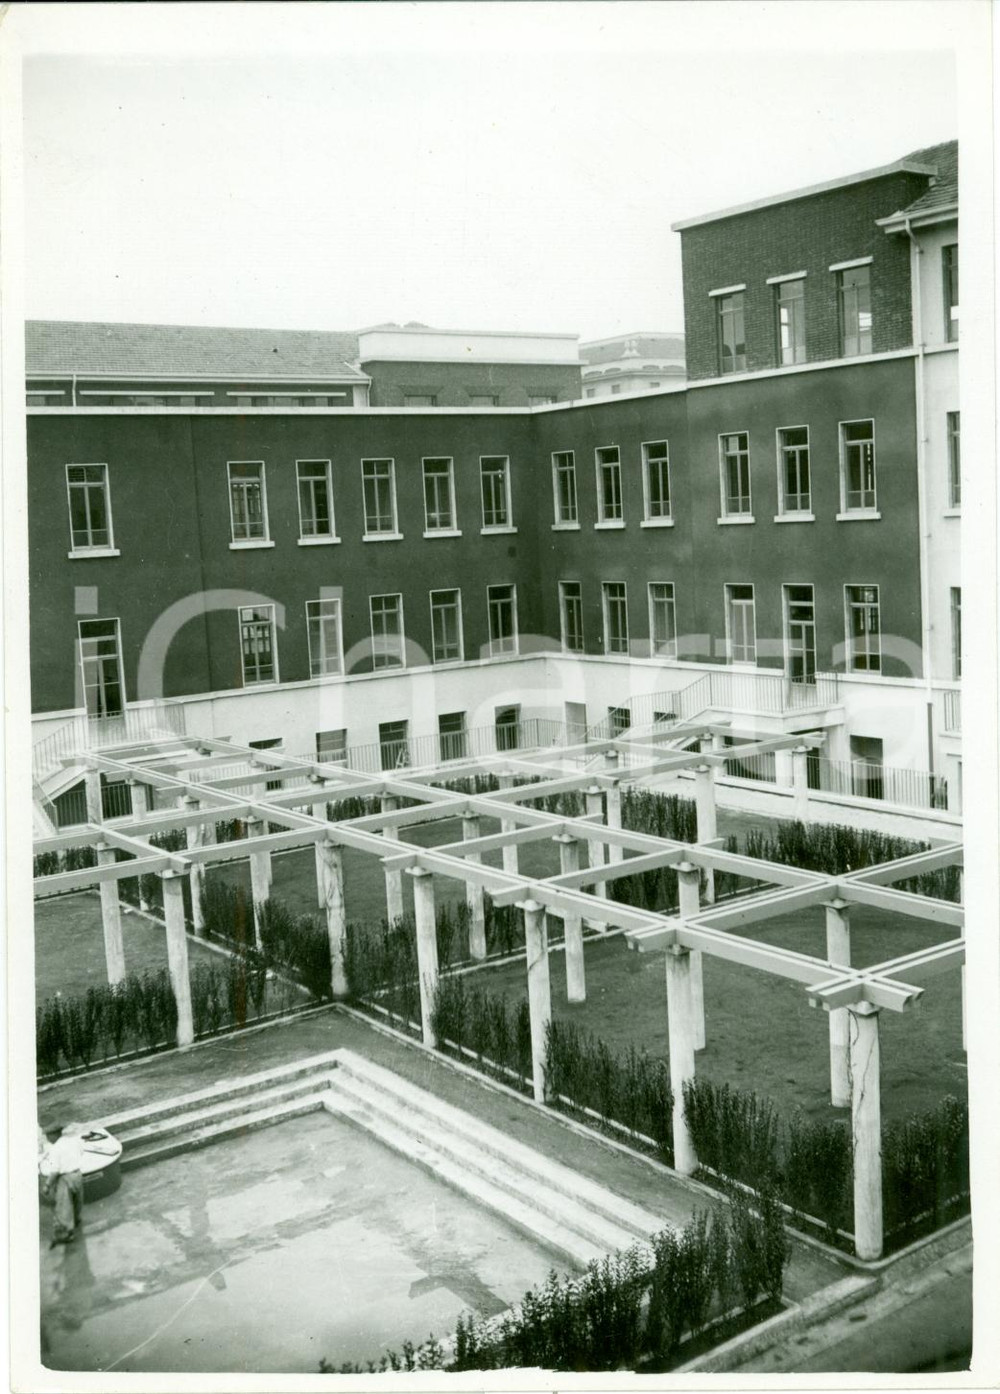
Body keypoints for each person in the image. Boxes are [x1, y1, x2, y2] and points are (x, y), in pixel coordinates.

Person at [39, 1123, 86, 1247]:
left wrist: (47, 1185)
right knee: (77, 1201)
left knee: (64, 1206)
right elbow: (81, 1152)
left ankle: (67, 1234)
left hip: (65, 1178)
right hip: (77, 1174)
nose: (47, 1138)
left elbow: (54, 1171)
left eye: (48, 1135)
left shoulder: (55, 1149)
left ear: (54, 1135)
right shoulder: (73, 1141)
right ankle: (76, 1220)